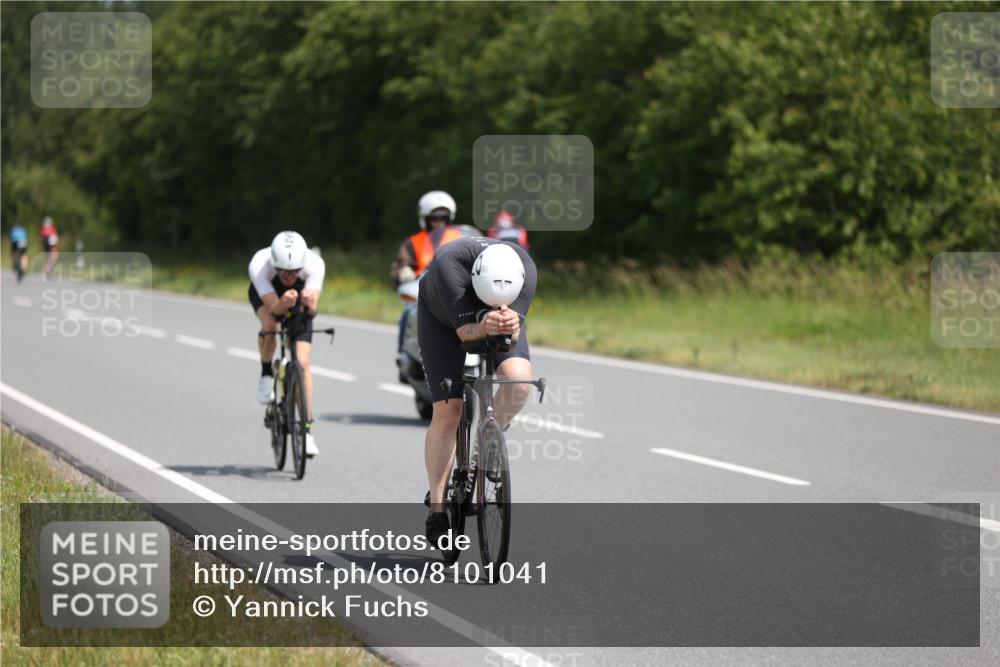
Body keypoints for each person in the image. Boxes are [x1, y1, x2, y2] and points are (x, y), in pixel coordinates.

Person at [416, 237, 537, 545]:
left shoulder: (524, 269)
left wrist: (509, 322)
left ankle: (489, 442)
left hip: (489, 318)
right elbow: (466, 334)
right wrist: (484, 325)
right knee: (449, 410)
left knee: (518, 381)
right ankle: (438, 508)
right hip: (443, 317)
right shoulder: (449, 265)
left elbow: (516, 330)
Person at [248, 231, 326, 457]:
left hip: (299, 298)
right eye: (282, 271)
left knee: (302, 363)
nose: (288, 276)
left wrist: (308, 304)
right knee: (271, 326)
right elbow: (274, 309)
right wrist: (283, 303)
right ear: (274, 264)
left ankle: (307, 431)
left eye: (293, 272)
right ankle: (265, 373)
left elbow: (313, 311)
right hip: (269, 297)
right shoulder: (259, 265)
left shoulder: (314, 265)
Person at [390, 190, 467, 360]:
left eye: (442, 218)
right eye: (434, 218)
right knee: (407, 313)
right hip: (422, 291)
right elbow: (401, 264)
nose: (438, 222)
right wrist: (403, 272)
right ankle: (404, 354)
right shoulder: (414, 242)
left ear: (450, 218)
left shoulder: (461, 238)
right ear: (425, 219)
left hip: (455, 290)